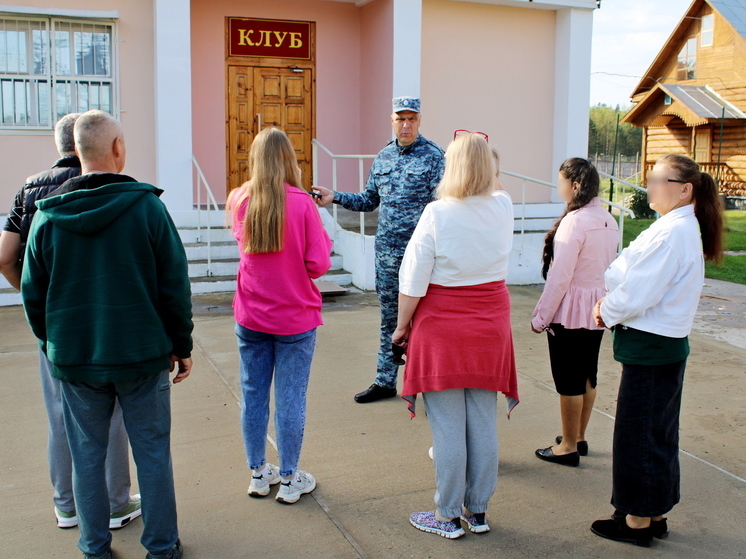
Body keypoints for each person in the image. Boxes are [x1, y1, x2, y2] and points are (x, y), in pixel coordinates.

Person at [21, 110, 193, 559]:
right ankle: (160, 547)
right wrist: (182, 345)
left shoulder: (46, 218)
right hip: (142, 357)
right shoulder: (148, 208)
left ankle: (94, 547)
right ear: (117, 147)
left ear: (76, 153)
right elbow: (174, 285)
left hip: (77, 361)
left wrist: (53, 344)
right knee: (152, 453)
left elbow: (32, 295)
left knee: (86, 456)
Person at [0, 113, 140, 530]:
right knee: (110, 412)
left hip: (53, 321)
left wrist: (34, 300)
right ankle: (115, 503)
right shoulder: (103, 185)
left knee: (61, 413)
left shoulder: (29, 188)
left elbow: (6, 254)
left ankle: (66, 505)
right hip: (99, 319)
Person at [590, 154, 724, 547]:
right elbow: (625, 272)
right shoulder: (673, 227)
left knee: (639, 435)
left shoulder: (673, 233)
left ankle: (637, 520)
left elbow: (638, 290)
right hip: (659, 344)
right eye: (649, 179)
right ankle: (653, 510)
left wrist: (605, 309)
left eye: (658, 180)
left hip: (653, 344)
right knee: (656, 432)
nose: (649, 186)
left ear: (685, 190)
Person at [393, 133, 519, 539]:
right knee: (483, 422)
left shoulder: (438, 213)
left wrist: (400, 327)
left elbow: (413, 280)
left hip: (443, 329)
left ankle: (446, 514)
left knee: (448, 426)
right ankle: (477, 511)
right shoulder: (503, 206)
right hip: (490, 327)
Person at [314, 97, 445, 403]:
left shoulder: (435, 157)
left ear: (420, 120)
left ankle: (425, 385)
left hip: (421, 254)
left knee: (424, 320)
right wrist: (335, 197)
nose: (406, 124)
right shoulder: (383, 157)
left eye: (412, 119)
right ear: (392, 120)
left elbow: (442, 208)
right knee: (390, 319)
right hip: (387, 254)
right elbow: (369, 200)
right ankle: (385, 381)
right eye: (401, 119)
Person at [228, 127, 332, 504]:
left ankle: (259, 474)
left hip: (251, 315)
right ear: (288, 158)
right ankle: (289, 479)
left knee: (253, 395)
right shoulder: (302, 203)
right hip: (294, 318)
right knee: (291, 398)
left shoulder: (240, 198)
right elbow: (317, 264)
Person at [531, 158, 619, 467]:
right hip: (597, 310)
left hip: (569, 311)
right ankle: (578, 437)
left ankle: (567, 446)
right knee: (587, 375)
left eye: (561, 182)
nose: (559, 188)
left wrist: (541, 317)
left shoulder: (574, 221)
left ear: (575, 185)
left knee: (568, 379)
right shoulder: (609, 220)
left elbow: (560, 278)